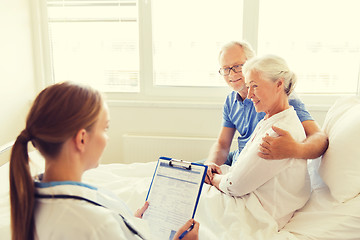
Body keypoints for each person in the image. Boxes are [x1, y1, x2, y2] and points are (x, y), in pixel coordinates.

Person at [9, 82, 199, 240]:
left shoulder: (30, 200)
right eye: (105, 128)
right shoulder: (96, 225)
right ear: (82, 139)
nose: (107, 138)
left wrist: (128, 224)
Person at [210, 54, 311, 229]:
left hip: (253, 215)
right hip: (246, 199)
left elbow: (235, 186)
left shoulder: (278, 132)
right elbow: (232, 157)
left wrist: (213, 179)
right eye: (248, 87)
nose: (249, 95)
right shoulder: (271, 119)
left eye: (254, 86)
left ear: (279, 84)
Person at [205, 41, 328, 182]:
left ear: (252, 64)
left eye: (238, 66)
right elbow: (222, 144)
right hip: (237, 158)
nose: (231, 74)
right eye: (225, 69)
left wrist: (296, 149)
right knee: (192, 173)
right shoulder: (231, 101)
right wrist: (209, 164)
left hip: (254, 164)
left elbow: (319, 137)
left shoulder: (282, 95)